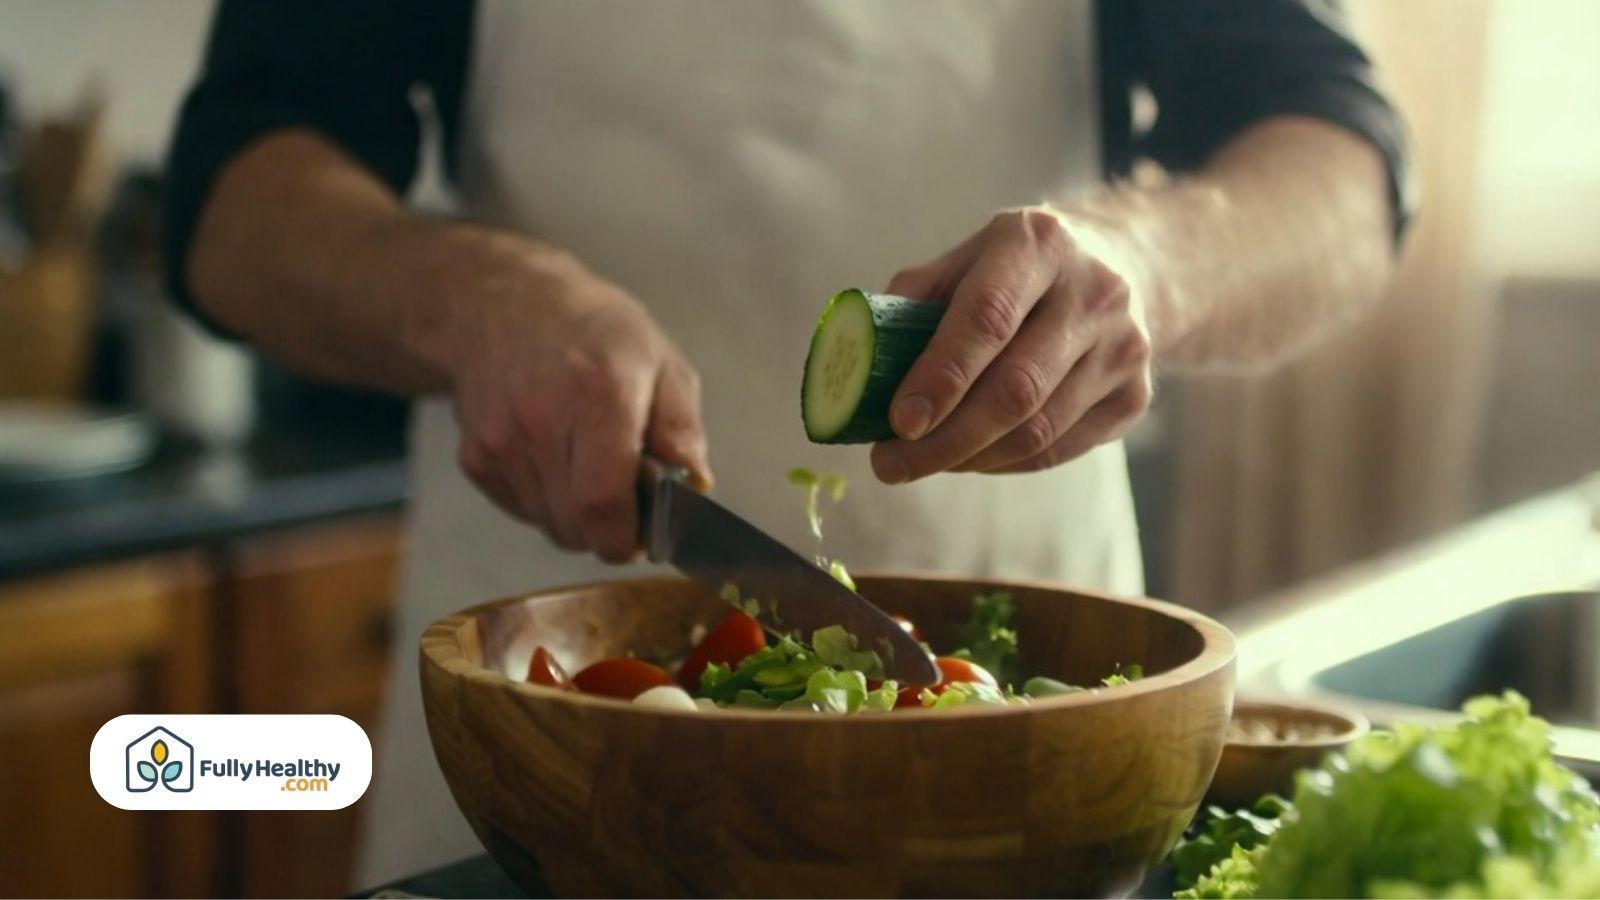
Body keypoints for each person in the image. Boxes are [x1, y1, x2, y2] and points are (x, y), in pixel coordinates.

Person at [166, 0, 1411, 883]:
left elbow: (1342, 171)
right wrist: (464, 299)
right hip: (550, 748)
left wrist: (1150, 261)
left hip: (1020, 761)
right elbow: (233, 192)